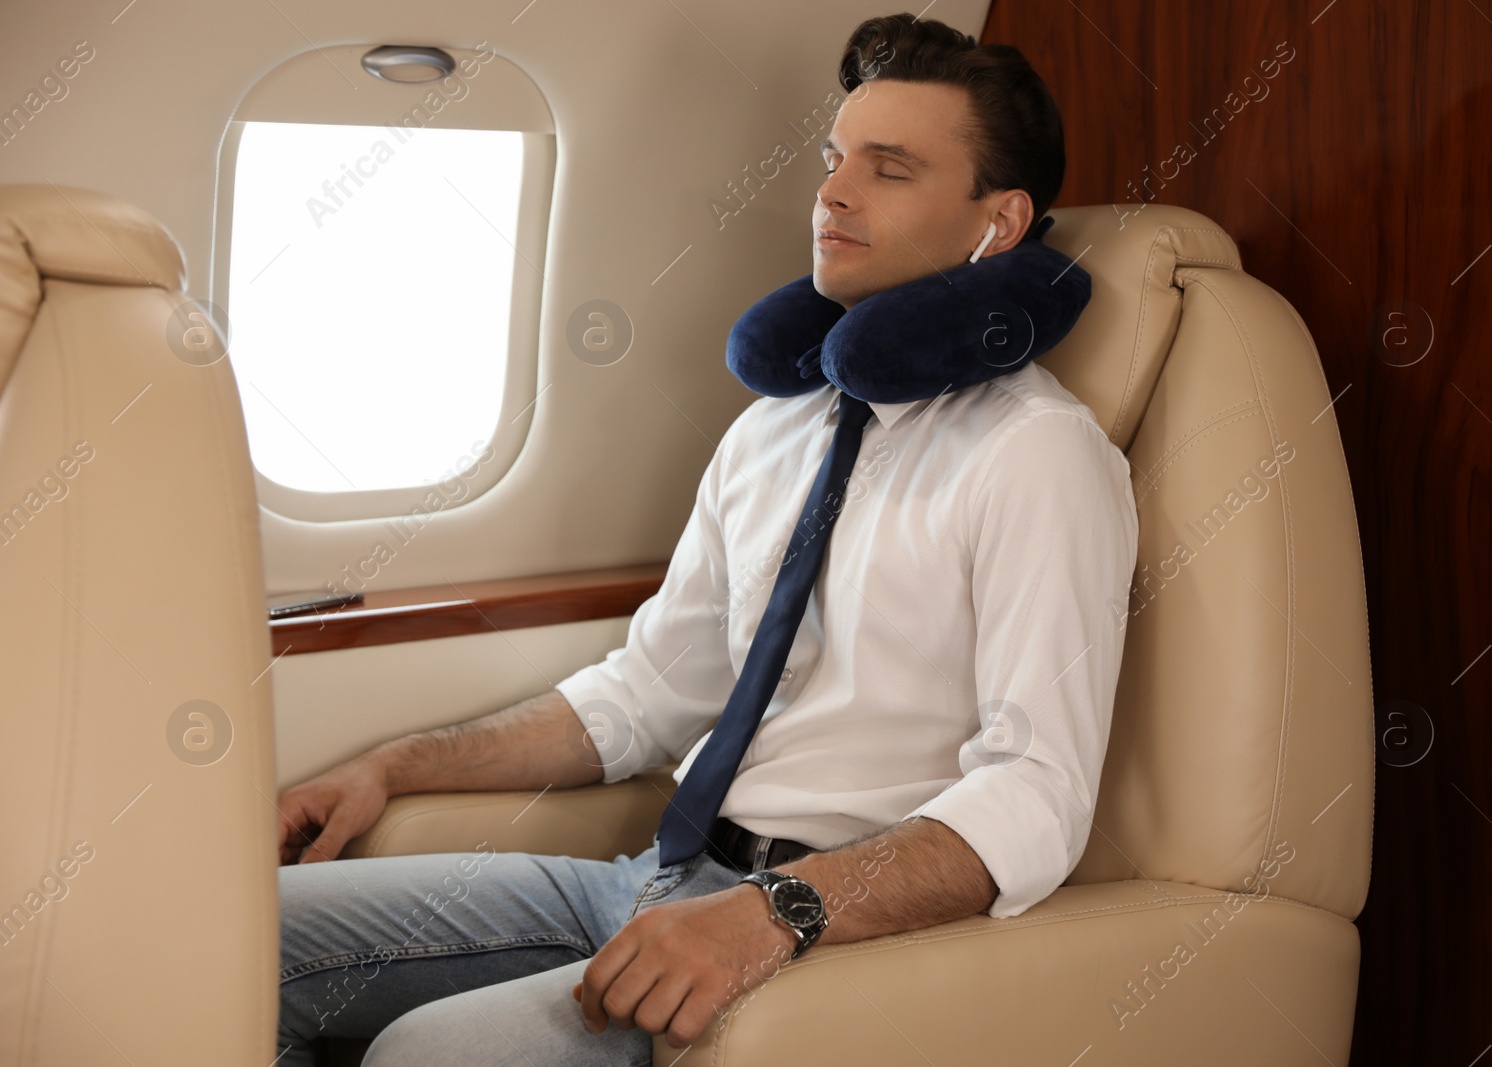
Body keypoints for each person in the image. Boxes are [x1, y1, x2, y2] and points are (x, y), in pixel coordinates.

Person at [275, 13, 1138, 1066]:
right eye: (834, 160)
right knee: (227, 938)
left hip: (817, 931)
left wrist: (771, 913)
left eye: (890, 168)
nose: (831, 191)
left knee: (424, 1051)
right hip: (654, 877)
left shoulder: (1036, 453)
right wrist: (392, 765)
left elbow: (1036, 794)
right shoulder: (777, 427)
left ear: (995, 224)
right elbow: (647, 693)